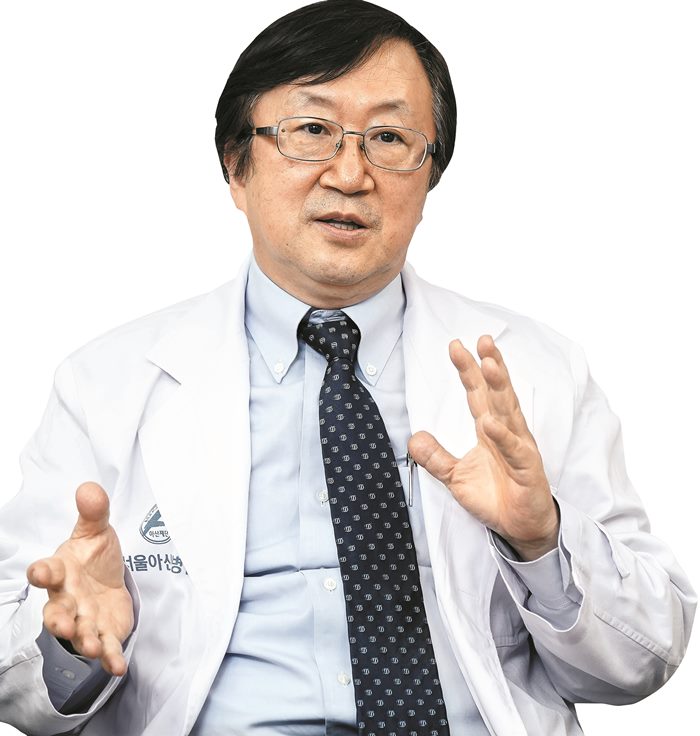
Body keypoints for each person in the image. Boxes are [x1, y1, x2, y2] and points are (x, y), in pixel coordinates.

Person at [0, 1, 695, 734]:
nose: (351, 172)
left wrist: (541, 539)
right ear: (235, 166)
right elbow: (16, 678)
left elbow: (642, 658)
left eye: (390, 138)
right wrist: (71, 644)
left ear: (429, 180)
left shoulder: (531, 370)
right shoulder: (105, 384)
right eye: (311, 131)